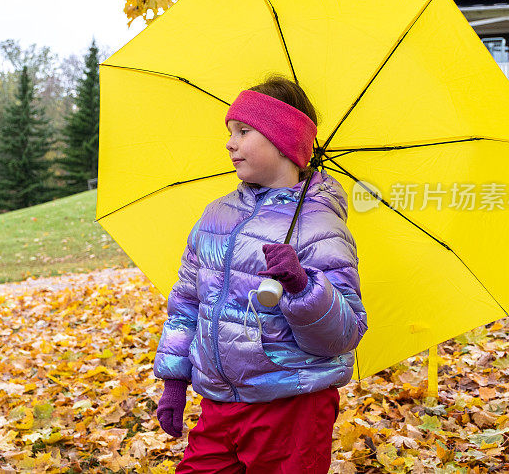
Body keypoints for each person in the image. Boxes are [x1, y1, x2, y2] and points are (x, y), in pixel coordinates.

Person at [153, 74, 368, 473]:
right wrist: (174, 378)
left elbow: (345, 333)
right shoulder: (216, 214)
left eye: (244, 131)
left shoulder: (319, 223)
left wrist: (304, 288)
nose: (230, 143)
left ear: (283, 140)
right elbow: (186, 303)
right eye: (230, 132)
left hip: (291, 406)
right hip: (220, 403)